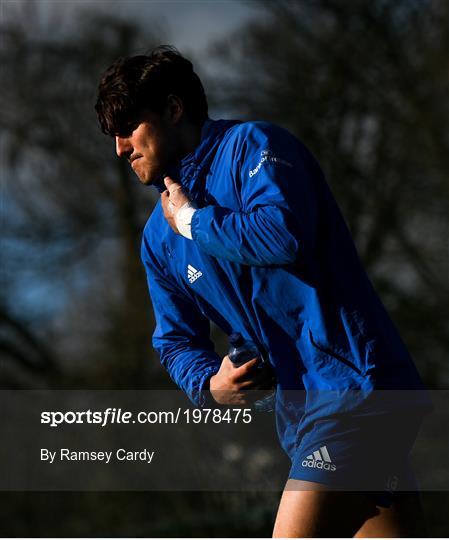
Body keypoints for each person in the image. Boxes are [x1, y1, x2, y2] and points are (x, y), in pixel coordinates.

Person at [95, 46, 431, 537]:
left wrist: (192, 220)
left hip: (355, 391)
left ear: (173, 109)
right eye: (113, 136)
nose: (120, 149)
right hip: (304, 417)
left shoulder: (254, 145)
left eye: (128, 128)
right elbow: (174, 340)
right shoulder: (157, 238)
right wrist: (212, 384)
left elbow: (281, 233)